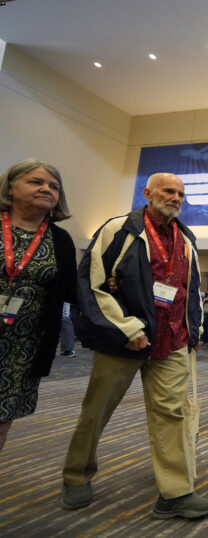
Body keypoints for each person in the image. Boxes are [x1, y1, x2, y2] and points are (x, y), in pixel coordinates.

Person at [60, 172, 208, 519]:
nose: (175, 197)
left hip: (173, 340)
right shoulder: (120, 229)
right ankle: (76, 476)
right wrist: (127, 328)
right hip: (125, 339)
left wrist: (195, 331)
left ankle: (175, 493)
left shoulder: (186, 238)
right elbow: (92, 283)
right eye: (168, 190)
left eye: (180, 193)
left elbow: (191, 292)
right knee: (96, 411)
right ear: (148, 193)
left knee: (172, 415)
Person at [0, 159, 77, 452]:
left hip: (23, 347)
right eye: (36, 182)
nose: (46, 189)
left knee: (2, 421)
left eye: (54, 186)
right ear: (10, 187)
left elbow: (71, 290)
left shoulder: (60, 239)